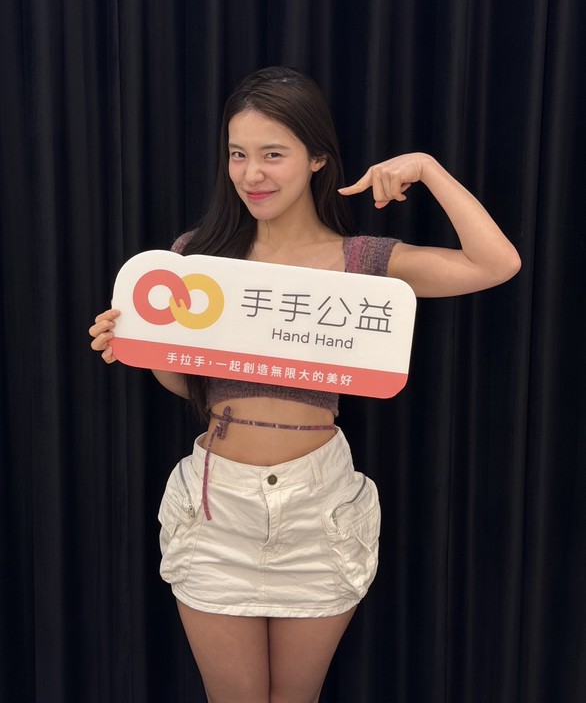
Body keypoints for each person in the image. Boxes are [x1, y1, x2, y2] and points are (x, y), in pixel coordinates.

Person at [89, 66, 521, 703]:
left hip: (319, 509)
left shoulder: (360, 263)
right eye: (238, 154)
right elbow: (195, 388)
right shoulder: (198, 257)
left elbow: (496, 263)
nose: (251, 174)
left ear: (318, 158)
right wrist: (138, 343)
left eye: (273, 154)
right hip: (217, 505)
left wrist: (428, 169)